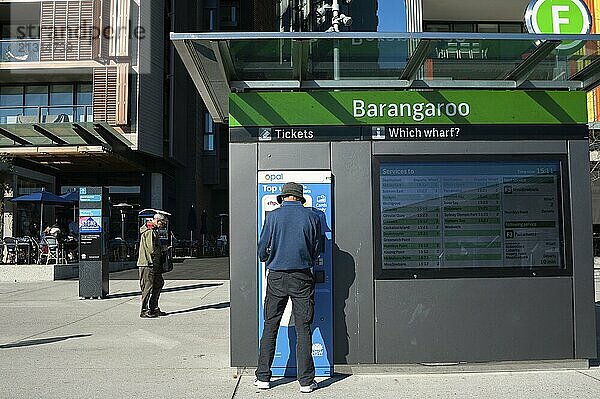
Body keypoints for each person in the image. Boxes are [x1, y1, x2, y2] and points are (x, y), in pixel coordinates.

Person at [255, 182, 322, 393]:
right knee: (304, 329)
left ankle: (263, 378)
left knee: (270, 325)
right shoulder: (312, 217)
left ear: (283, 197)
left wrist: (268, 258)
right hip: (302, 277)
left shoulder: (272, 217)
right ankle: (306, 382)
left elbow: (262, 248)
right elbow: (317, 249)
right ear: (300, 198)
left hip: (276, 277)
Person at [137, 213, 168, 318]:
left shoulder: (153, 230)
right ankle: (145, 310)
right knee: (147, 287)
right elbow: (151, 249)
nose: (163, 225)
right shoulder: (150, 232)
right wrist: (162, 249)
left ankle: (153, 308)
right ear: (158, 221)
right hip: (148, 264)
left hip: (153, 264)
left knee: (159, 283)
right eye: (163, 223)